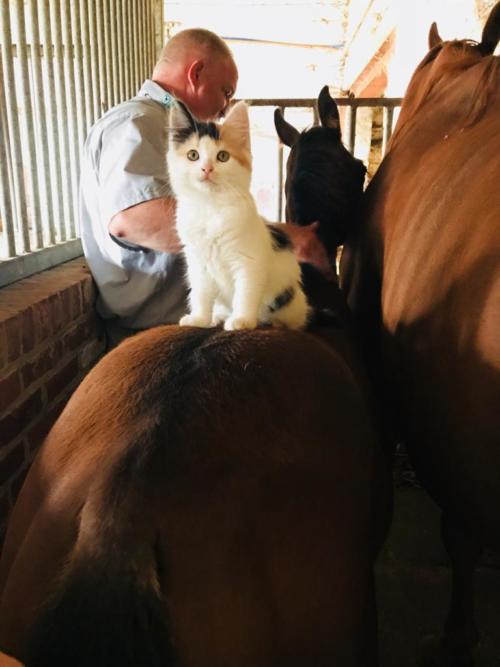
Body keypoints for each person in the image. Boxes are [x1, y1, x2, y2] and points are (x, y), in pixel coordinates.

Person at [79, 28, 238, 348]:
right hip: (158, 333)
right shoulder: (138, 122)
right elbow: (135, 218)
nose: (226, 107)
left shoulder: (168, 126)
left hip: (181, 323)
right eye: (225, 91)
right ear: (195, 73)